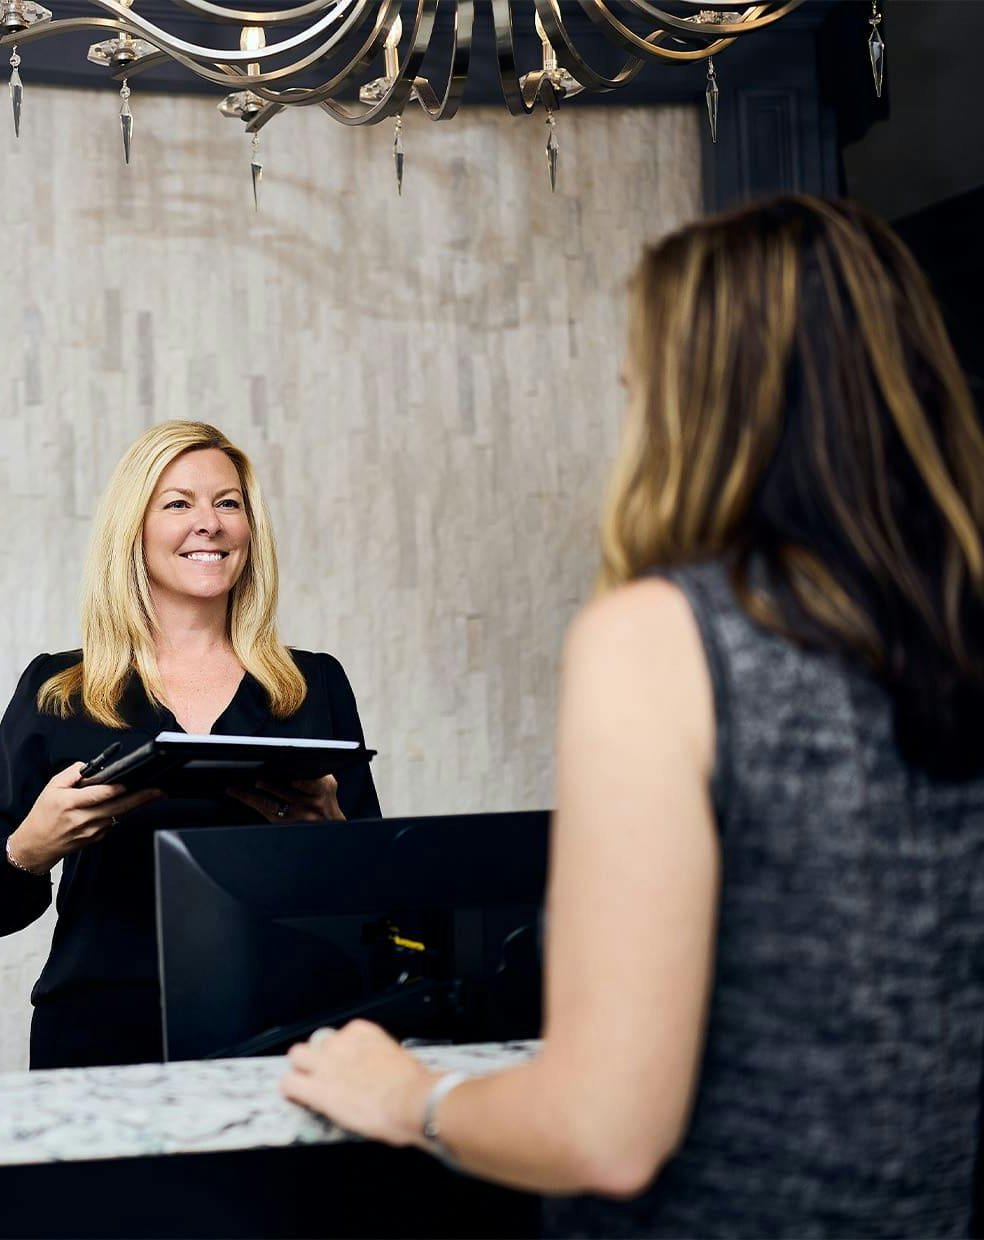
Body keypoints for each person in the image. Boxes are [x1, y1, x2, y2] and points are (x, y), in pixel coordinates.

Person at [280, 196, 984, 1237]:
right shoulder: (957, 627)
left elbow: (604, 1130)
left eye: (639, 381)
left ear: (703, 401)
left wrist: (408, 1097)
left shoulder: (663, 636)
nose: (629, 405)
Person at [0, 420, 381, 1070]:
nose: (209, 523)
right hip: (101, 1038)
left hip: (289, 1034)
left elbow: (382, 902)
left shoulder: (311, 682)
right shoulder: (60, 688)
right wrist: (31, 848)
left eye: (228, 503)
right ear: (134, 530)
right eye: (178, 503)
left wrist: (331, 829)